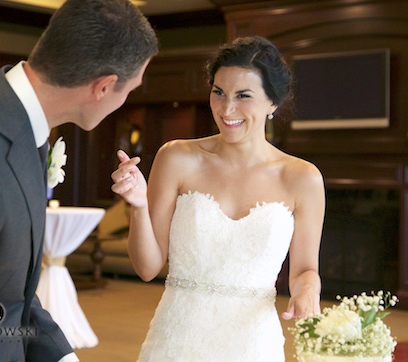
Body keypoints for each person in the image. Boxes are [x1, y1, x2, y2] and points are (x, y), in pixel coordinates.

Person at [0, 0, 158, 360]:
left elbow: (9, 291)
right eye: (130, 91)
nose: (126, 99)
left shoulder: (21, 123)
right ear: (103, 87)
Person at [111, 36, 325, 361]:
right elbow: (146, 268)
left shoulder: (302, 178)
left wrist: (308, 291)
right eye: (219, 92)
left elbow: (305, 270)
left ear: (273, 103)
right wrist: (138, 206)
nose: (227, 109)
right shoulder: (177, 158)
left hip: (253, 343)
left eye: (244, 96)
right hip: (176, 340)